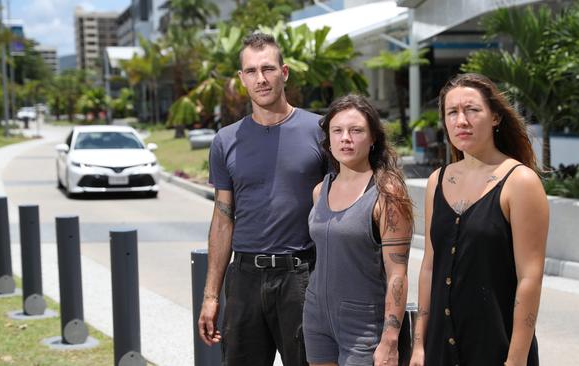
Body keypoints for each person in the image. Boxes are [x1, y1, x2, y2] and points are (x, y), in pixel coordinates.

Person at [197, 32, 327, 366]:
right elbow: (223, 218)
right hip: (244, 280)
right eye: (251, 71)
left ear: (284, 73)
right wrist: (211, 295)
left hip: (302, 276)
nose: (261, 78)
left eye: (268, 69)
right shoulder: (225, 141)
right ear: (241, 79)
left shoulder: (321, 131)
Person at [410, 73, 549, 366]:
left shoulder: (520, 181)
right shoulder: (438, 180)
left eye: (472, 110)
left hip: (495, 348)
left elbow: (530, 277)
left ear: (496, 116)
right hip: (440, 348)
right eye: (452, 112)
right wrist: (419, 344)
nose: (461, 120)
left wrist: (516, 359)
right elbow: (429, 266)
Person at [304, 94, 414, 366]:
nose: (346, 138)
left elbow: (397, 273)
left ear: (373, 137)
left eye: (356, 131)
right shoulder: (321, 190)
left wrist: (390, 338)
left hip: (364, 323)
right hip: (317, 317)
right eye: (337, 131)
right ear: (328, 139)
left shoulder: (387, 193)